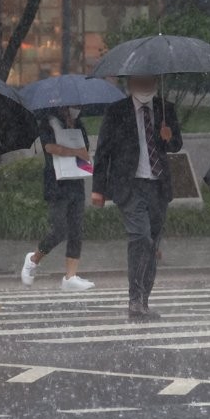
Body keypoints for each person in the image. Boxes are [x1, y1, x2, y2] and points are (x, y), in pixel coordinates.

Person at [91, 76, 182, 320]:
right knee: (140, 237)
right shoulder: (117, 111)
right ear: (131, 84)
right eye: (139, 82)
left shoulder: (166, 109)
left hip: (158, 186)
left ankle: (143, 300)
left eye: (149, 82)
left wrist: (168, 137)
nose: (145, 86)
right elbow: (103, 152)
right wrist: (97, 188)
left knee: (152, 244)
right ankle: (134, 298)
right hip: (129, 186)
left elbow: (175, 145)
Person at [21, 106, 95, 291]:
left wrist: (74, 140)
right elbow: (50, 147)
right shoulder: (48, 122)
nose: (69, 109)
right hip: (56, 183)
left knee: (77, 229)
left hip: (76, 181)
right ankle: (33, 259)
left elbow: (85, 149)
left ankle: (70, 276)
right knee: (59, 229)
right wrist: (75, 151)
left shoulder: (78, 123)